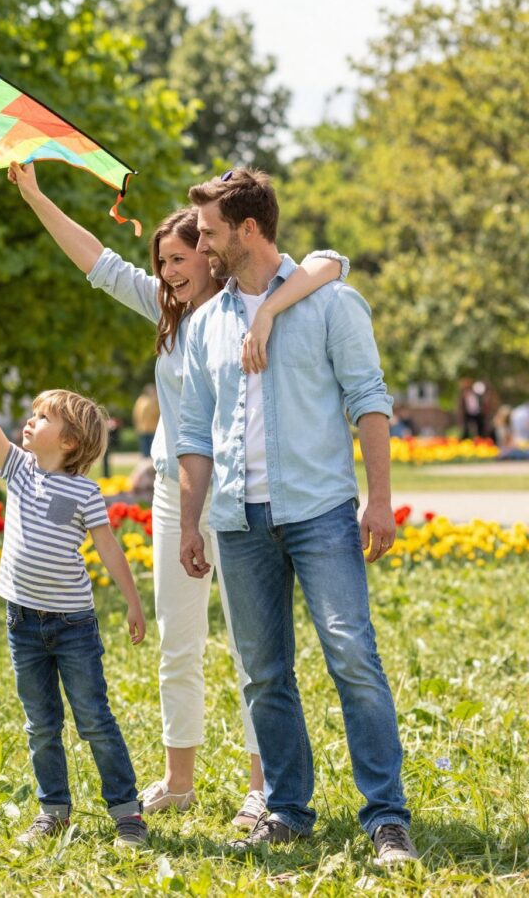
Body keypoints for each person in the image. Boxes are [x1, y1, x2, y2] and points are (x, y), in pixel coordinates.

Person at [10, 159, 347, 827]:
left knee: (256, 650)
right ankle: (179, 777)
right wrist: (35, 197)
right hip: (173, 492)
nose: (167, 272)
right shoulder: (166, 313)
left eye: (179, 257)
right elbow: (95, 260)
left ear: (212, 253)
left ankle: (263, 787)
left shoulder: (242, 310)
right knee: (178, 639)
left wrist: (272, 310)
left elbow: (327, 262)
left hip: (240, 494)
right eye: (160, 261)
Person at [176, 167, 417, 864]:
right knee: (262, 673)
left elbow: (369, 399)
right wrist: (192, 522)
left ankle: (386, 816)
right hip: (236, 522)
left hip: (319, 513)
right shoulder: (204, 326)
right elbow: (194, 432)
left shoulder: (332, 304)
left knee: (352, 655)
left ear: (248, 230)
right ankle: (287, 807)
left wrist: (377, 498)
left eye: (211, 231)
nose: (202, 242)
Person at [0, 339, 150, 847]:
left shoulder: (85, 492)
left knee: (94, 720)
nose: (30, 421)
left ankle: (127, 814)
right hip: (22, 623)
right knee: (41, 725)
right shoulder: (18, 470)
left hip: (73, 626)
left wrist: (133, 602)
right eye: (32, 414)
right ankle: (53, 811)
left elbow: (109, 550)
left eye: (43, 416)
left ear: (71, 442)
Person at [131, 384, 160, 458]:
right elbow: (136, 414)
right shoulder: (144, 400)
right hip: (145, 429)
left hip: (151, 429)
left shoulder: (143, 400)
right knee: (146, 451)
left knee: (151, 451)